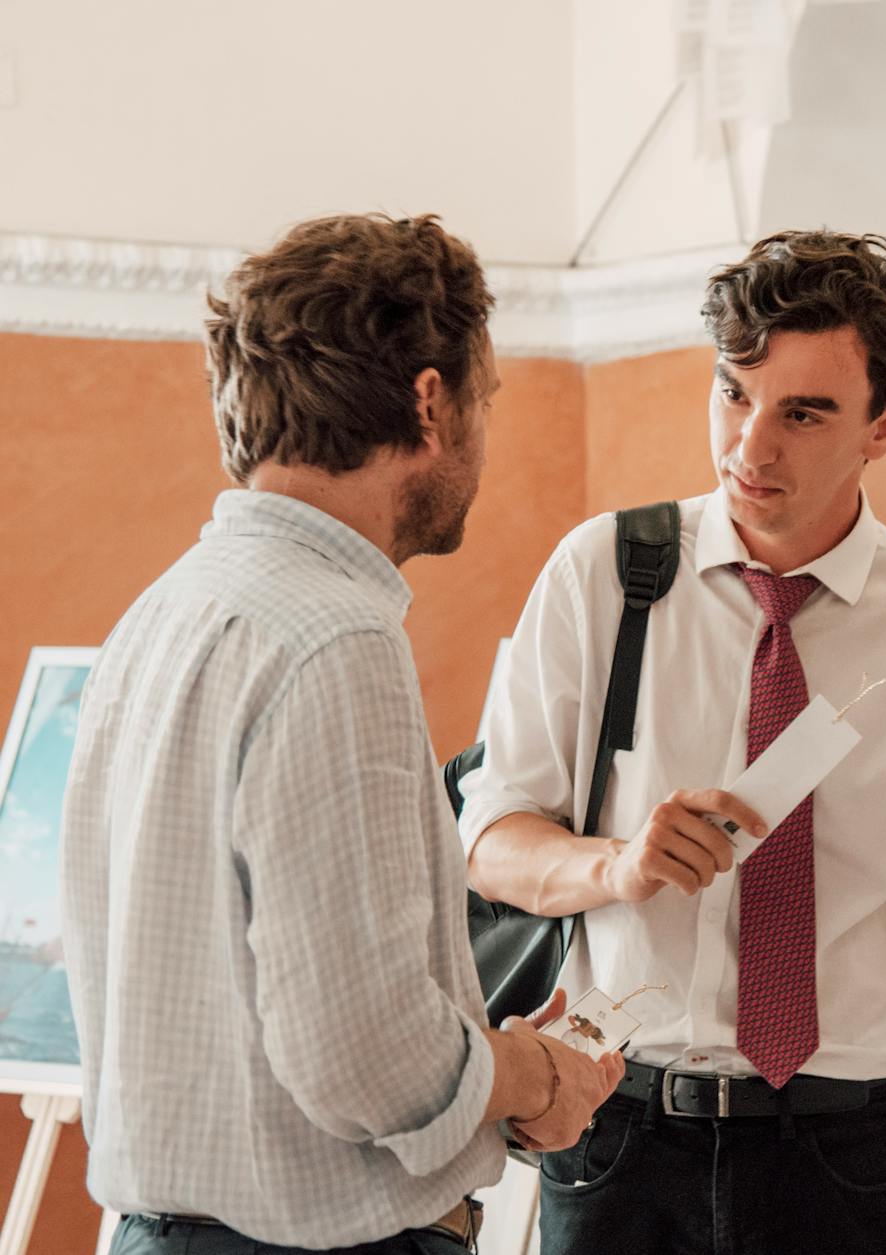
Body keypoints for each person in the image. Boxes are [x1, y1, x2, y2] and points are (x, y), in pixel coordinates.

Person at [60, 214, 624, 1254]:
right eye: (484, 399)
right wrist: (525, 1072)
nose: (483, 433)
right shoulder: (332, 641)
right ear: (428, 400)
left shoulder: (162, 612)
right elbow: (363, 1057)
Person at [460, 229, 886, 1255]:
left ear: (885, 423)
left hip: (848, 1154)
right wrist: (617, 863)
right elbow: (490, 839)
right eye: (732, 393)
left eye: (802, 413)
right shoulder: (602, 574)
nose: (749, 447)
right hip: (620, 1139)